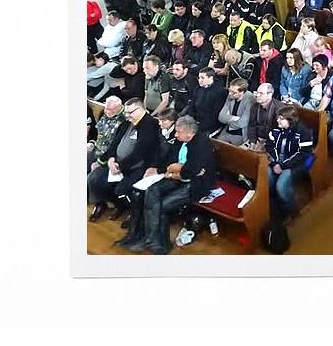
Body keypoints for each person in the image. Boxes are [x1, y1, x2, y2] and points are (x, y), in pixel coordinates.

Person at [118, 116, 217, 254]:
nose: (175, 135)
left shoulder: (202, 144)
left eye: (178, 132)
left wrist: (174, 171)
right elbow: (170, 161)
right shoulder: (179, 141)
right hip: (176, 178)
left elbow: (190, 172)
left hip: (196, 185)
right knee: (151, 191)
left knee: (162, 205)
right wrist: (162, 170)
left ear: (190, 133)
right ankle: (148, 238)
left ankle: (157, 242)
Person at [87, 98, 159, 223]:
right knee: (95, 178)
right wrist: (110, 158)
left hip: (137, 167)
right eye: (126, 113)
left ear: (140, 109)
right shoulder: (127, 122)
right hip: (117, 163)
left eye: (130, 113)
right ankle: (103, 204)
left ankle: (134, 213)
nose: (127, 115)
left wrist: (120, 166)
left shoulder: (149, 125)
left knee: (121, 189)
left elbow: (141, 152)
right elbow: (115, 143)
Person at [264, 104, 315, 220]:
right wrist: (275, 163)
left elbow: (303, 154)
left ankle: (291, 210)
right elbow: (270, 147)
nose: (277, 120)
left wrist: (283, 165)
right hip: (278, 162)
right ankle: (275, 205)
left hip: (298, 164)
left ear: (290, 120)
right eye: (278, 118)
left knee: (281, 185)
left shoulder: (303, 132)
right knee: (266, 177)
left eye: (281, 119)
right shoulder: (276, 129)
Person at [215, 78, 255, 145]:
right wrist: (234, 118)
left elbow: (243, 123)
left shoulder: (250, 99)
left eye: (233, 92)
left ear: (242, 92)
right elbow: (221, 117)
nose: (230, 94)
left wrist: (228, 119)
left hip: (241, 134)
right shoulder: (231, 95)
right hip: (227, 130)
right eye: (229, 90)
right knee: (217, 146)